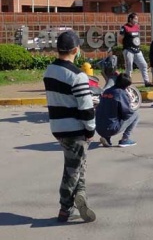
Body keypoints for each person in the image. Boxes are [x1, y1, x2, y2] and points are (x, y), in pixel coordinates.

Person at [43, 30, 97, 223]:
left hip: (57, 127)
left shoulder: (49, 71)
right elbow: (86, 107)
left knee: (78, 163)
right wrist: (90, 129)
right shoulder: (77, 76)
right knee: (72, 169)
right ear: (76, 50)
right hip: (76, 128)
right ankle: (65, 208)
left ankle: (81, 194)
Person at [96, 73, 139, 147]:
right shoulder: (120, 93)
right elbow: (127, 112)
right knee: (135, 115)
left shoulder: (107, 91)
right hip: (111, 128)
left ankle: (107, 138)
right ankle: (125, 139)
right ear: (126, 85)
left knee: (110, 114)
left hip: (99, 127)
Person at [118, 13, 153, 87]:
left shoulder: (137, 27)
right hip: (128, 50)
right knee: (129, 68)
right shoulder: (124, 27)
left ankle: (146, 82)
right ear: (130, 19)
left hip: (137, 50)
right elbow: (120, 39)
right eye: (135, 19)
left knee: (144, 65)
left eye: (137, 19)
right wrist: (126, 45)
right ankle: (127, 84)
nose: (137, 21)